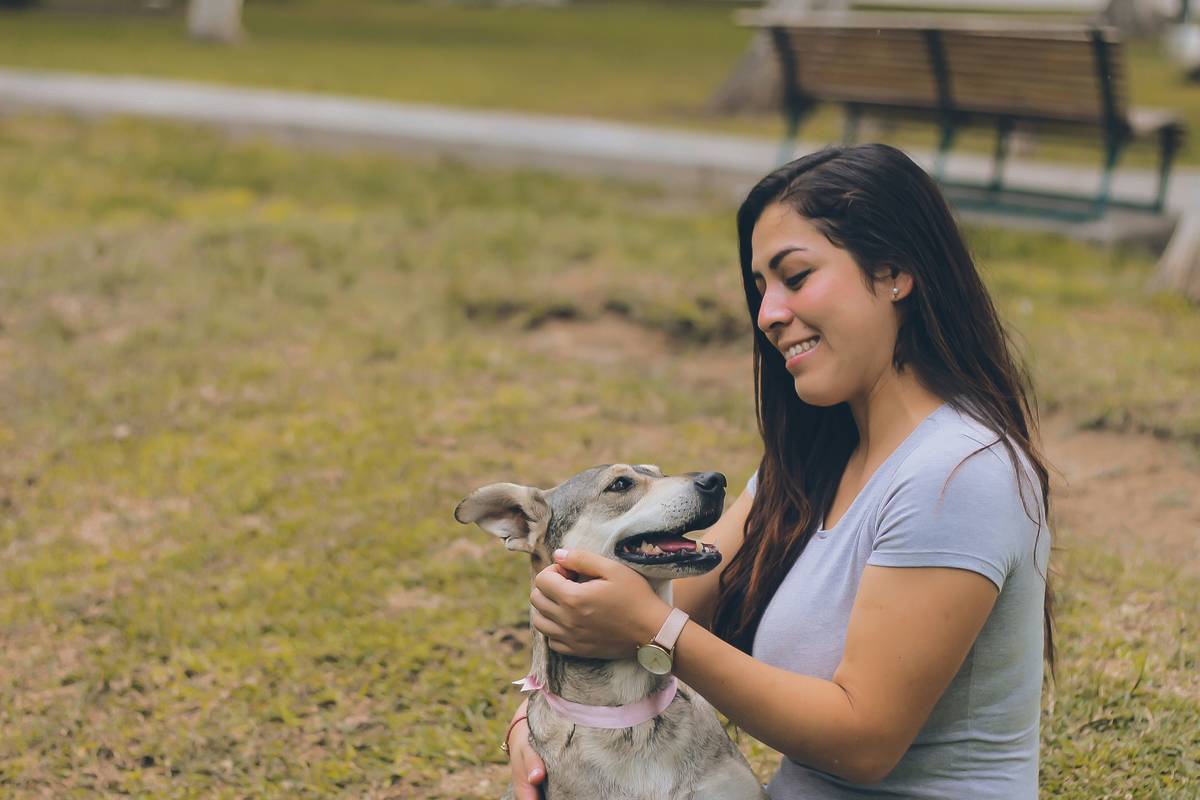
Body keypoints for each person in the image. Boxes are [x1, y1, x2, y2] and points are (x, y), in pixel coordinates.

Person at [504, 144, 1054, 799]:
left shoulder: (959, 474)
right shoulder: (814, 464)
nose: (767, 314)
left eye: (796, 276)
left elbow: (865, 741)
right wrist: (539, 715)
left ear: (894, 270)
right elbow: (665, 598)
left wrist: (652, 629)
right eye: (761, 287)